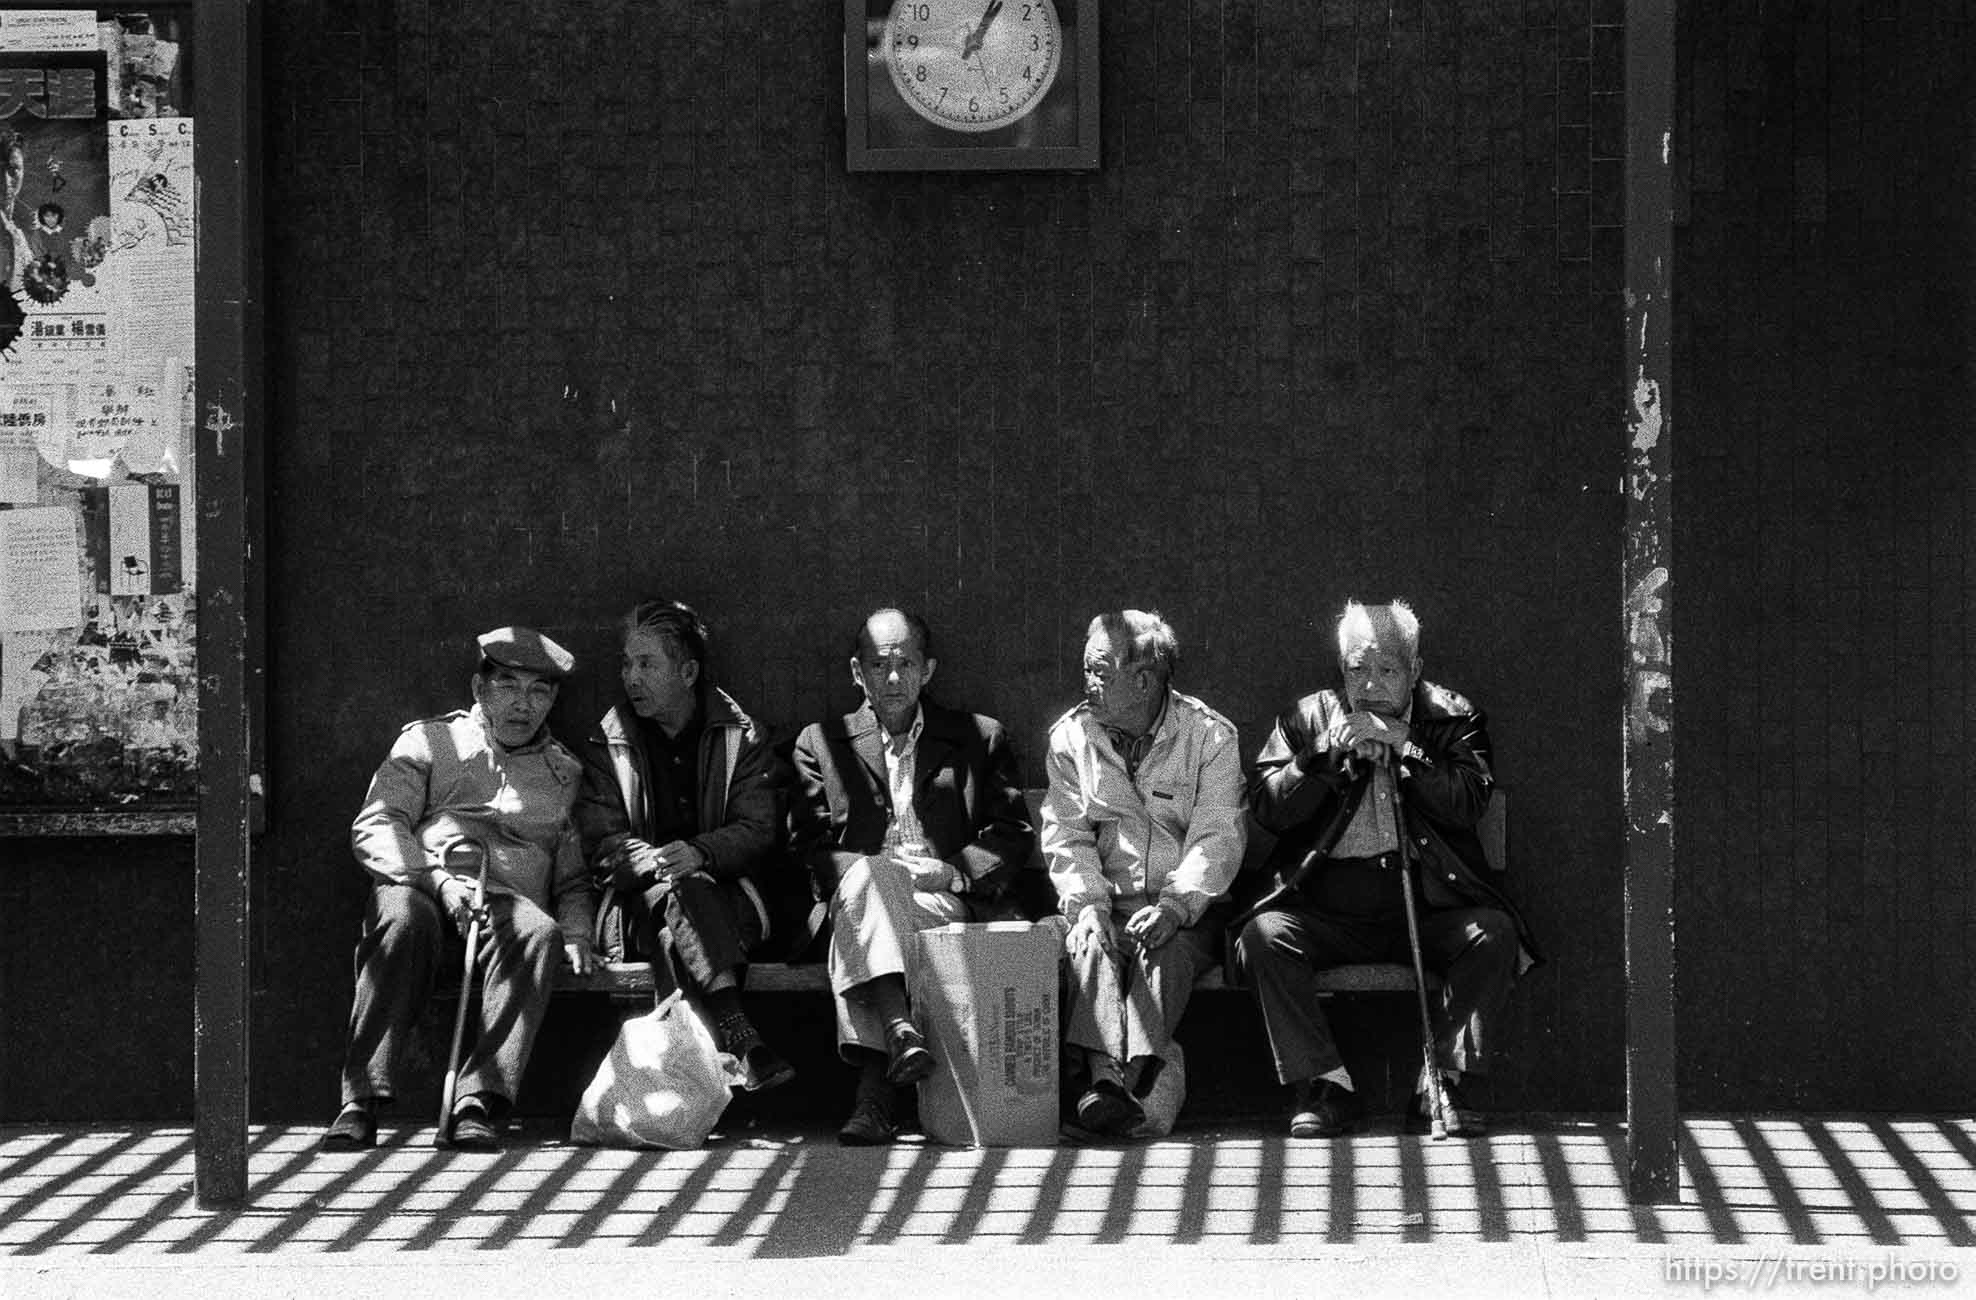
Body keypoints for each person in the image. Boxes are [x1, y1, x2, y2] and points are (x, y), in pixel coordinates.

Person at [1231, 600, 1541, 1139]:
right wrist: (1321, 757)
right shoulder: (1306, 719)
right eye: (1357, 668)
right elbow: (1267, 806)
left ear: (1415, 671)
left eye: (1387, 670)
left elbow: (1469, 801)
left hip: (1425, 905)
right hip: (1329, 908)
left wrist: (1410, 749)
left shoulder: (1453, 715)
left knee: (1492, 934)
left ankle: (1441, 1081)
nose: (1370, 685)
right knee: (1264, 936)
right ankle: (1325, 1085)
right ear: (1340, 669)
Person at [322, 627, 595, 1152]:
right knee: (398, 914)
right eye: (508, 686)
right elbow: (376, 825)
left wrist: (578, 931)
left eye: (539, 691)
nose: (522, 704)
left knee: (540, 932)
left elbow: (573, 880)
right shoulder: (429, 742)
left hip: (504, 906)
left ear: (554, 699)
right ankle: (360, 1100)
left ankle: (478, 1100)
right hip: (423, 884)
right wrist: (438, 881)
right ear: (479, 688)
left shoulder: (564, 773)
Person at [791, 607, 1040, 1146]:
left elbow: (1012, 835)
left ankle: (877, 1091)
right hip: (856, 900)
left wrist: (952, 872)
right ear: (858, 673)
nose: (894, 677)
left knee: (863, 913)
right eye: (879, 665)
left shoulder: (978, 737)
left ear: (928, 670)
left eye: (906, 663)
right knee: (869, 885)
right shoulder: (820, 742)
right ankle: (896, 1040)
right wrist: (873, 873)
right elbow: (808, 849)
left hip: (940, 902)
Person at [573, 598, 799, 1092]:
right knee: (675, 894)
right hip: (634, 907)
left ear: (689, 670)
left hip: (731, 904)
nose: (631, 677)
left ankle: (690, 1084)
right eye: (626, 664)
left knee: (685, 899)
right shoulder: (609, 740)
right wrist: (652, 862)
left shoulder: (742, 736)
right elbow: (601, 837)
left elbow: (759, 827)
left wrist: (700, 853)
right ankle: (740, 1035)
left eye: (647, 664)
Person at [1042, 609, 1247, 1139]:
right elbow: (1068, 837)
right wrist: (1087, 905)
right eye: (1087, 670)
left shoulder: (1209, 737)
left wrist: (1176, 906)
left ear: (1143, 680)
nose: (1089, 684)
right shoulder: (1071, 739)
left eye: (1100, 673)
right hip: (1108, 903)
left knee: (1169, 950)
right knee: (1085, 942)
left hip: (1186, 910)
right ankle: (1112, 1082)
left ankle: (1120, 1083)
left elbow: (1217, 837)